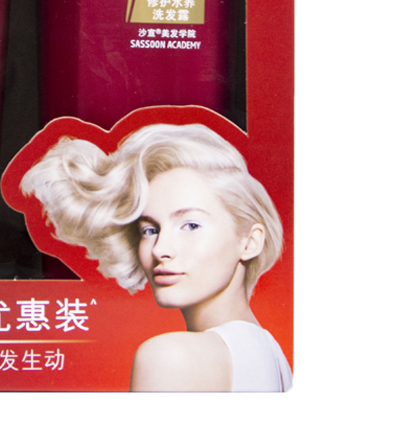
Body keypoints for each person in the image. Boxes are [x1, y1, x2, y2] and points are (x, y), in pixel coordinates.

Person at [20, 123, 293, 392]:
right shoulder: (275, 358)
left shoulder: (170, 358)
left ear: (251, 242)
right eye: (150, 230)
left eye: (191, 225)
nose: (160, 249)